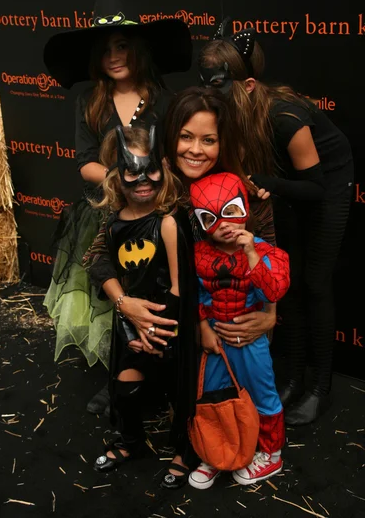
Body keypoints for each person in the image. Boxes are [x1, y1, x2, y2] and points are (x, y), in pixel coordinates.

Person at [42, 0, 192, 414]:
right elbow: (84, 159)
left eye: (122, 45)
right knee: (113, 297)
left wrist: (157, 189)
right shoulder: (88, 100)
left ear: (139, 48)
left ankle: (163, 372)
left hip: (161, 213)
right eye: (105, 48)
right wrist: (118, 181)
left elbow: (179, 157)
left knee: (159, 292)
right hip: (108, 212)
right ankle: (118, 378)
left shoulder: (164, 98)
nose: (113, 55)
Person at [84, 88, 278, 418]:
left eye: (209, 140)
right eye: (186, 137)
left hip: (222, 319)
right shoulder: (148, 185)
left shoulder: (247, 195)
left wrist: (271, 314)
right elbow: (96, 256)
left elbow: (268, 256)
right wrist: (125, 304)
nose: (196, 150)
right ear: (170, 138)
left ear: (222, 143)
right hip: (160, 315)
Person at [198, 21, 354, 425]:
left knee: (316, 282)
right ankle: (293, 379)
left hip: (325, 185)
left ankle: (320, 388)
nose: (212, 95)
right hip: (286, 185)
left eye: (221, 85)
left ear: (247, 85)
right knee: (292, 281)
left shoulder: (285, 116)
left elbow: (316, 187)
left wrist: (267, 183)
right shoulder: (231, 111)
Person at [91, 125, 198, 490]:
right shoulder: (113, 225)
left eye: (149, 170)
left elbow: (181, 287)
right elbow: (99, 263)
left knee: (179, 391)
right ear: (115, 176)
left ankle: (185, 449)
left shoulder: (168, 221)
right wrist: (131, 322)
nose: (141, 180)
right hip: (130, 324)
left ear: (163, 168)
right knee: (124, 386)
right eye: (130, 172)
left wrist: (158, 330)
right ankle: (131, 442)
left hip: (169, 325)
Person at [187, 172, 290, 488]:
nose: (224, 225)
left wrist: (251, 253)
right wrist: (203, 326)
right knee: (215, 395)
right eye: (211, 218)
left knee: (262, 394)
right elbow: (197, 294)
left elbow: (274, 291)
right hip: (217, 336)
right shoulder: (200, 254)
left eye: (230, 211)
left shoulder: (268, 253)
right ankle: (221, 450)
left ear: (244, 206)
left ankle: (270, 454)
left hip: (250, 337)